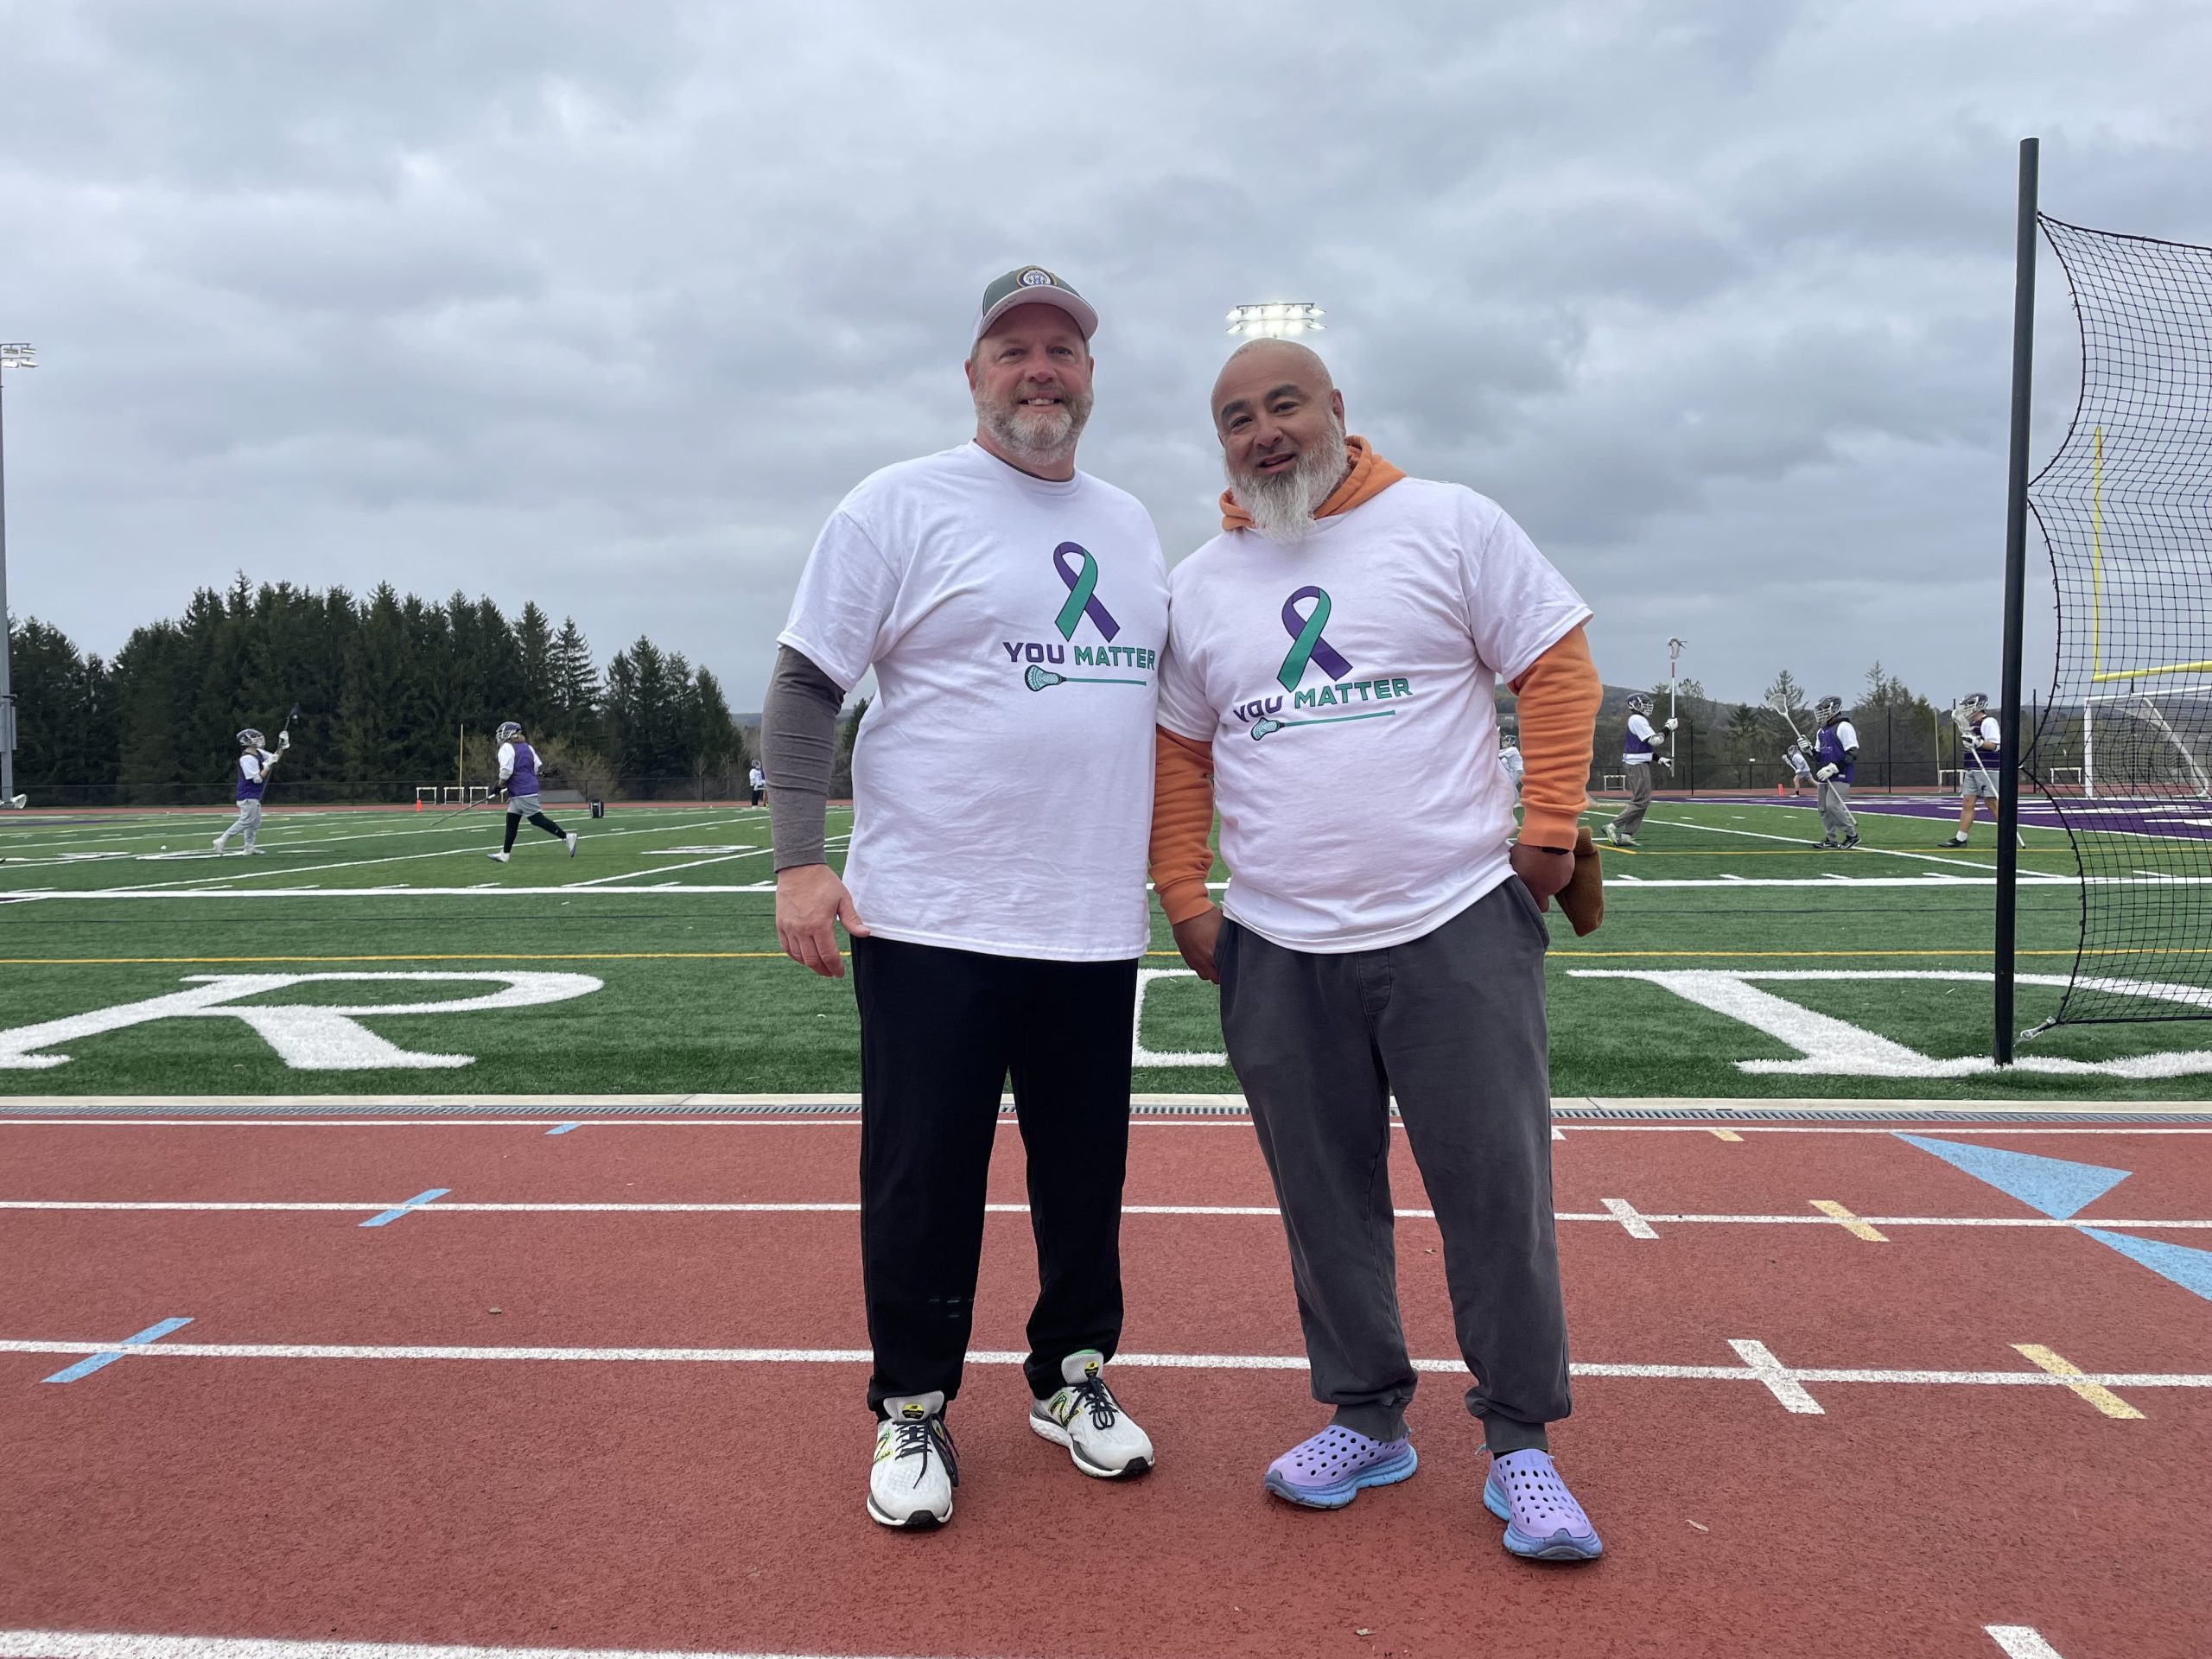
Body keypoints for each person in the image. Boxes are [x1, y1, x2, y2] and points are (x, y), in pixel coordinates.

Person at [1150, 338, 1605, 1561]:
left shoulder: (1447, 523)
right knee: (1323, 1201)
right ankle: (1365, 1415)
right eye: (1236, 418)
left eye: (1283, 405)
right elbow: (1180, 751)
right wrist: (1184, 892)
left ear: (1337, 410)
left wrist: (1549, 828)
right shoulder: (1199, 584)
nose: (1264, 433)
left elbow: (1556, 665)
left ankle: (1520, 1442)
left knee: (1495, 1193)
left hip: (1453, 921)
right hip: (1279, 940)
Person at [764, 265, 1166, 1532]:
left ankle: (1072, 1375)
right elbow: (806, 682)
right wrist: (797, 859)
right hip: (931, 916)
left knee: (1084, 1176)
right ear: (974, 374)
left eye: (1062, 350)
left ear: (1089, 375)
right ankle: (913, 1402)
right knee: (923, 1178)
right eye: (1014, 350)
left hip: (1088, 920)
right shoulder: (898, 503)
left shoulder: (1132, 523)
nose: (1039, 370)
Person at [486, 721, 580, 863]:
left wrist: (498, 785)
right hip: (525, 789)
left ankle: (566, 837)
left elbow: (506, 771)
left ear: (509, 733)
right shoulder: (527, 747)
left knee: (537, 819)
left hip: (522, 790)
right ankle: (505, 854)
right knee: (512, 820)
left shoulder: (506, 748)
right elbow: (535, 768)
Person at [1602, 692, 1670, 847]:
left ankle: (1627, 835)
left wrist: (1659, 759)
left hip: (1638, 763)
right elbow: (1656, 740)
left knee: (1641, 801)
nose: (1647, 706)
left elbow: (1642, 746)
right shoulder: (1637, 719)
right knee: (1642, 801)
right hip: (1637, 765)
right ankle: (1612, 826)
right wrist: (1668, 728)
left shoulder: (1638, 720)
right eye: (1642, 703)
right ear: (1634, 705)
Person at [1944, 691, 2003, 846]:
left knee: (1992, 803)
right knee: (1968, 802)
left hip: (1987, 768)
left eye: (1969, 705)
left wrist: (1979, 743)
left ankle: (2006, 837)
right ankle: (1961, 838)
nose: (1966, 708)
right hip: (1972, 767)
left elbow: (1996, 746)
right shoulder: (1971, 725)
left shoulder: (1988, 722)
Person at [213, 728, 283, 855]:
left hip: (254, 794)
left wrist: (282, 745)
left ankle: (249, 846)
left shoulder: (259, 752)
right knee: (247, 821)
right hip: (247, 794)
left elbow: (275, 758)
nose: (259, 740)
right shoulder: (247, 758)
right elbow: (257, 779)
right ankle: (222, 840)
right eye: (255, 738)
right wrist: (267, 766)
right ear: (246, 741)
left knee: (255, 822)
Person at [1806, 696, 1859, 850]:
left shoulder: (1844, 727)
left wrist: (1835, 767)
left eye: (1824, 709)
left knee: (1832, 806)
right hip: (1824, 775)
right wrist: (1808, 750)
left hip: (1840, 774)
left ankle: (1852, 835)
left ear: (1834, 709)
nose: (1821, 713)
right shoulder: (1821, 732)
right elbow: (1818, 757)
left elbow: (1853, 752)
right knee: (1823, 808)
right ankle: (1831, 839)